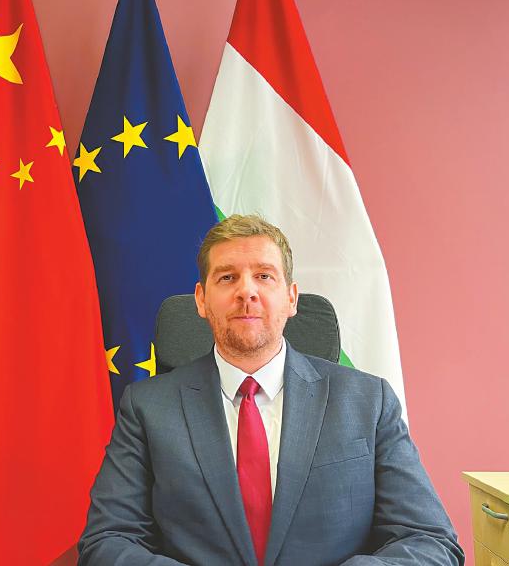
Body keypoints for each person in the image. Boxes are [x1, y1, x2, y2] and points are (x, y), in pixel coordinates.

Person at [78, 215, 463, 565]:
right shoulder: (147, 408)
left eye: (264, 276)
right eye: (227, 278)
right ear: (201, 300)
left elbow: (430, 541)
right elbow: (107, 540)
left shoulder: (369, 402)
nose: (246, 291)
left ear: (291, 298)